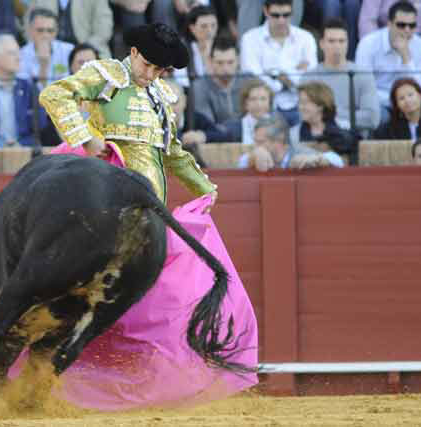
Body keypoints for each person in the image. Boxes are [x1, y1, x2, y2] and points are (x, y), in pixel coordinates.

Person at [39, 22, 257, 408]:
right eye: (151, 66)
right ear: (135, 53)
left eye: (162, 71)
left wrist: (204, 187)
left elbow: (172, 153)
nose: (155, 75)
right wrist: (85, 137)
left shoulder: (159, 97)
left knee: (177, 284)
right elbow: (54, 95)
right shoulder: (105, 76)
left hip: (149, 211)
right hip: (105, 199)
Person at [240, 0, 318, 126]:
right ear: (265, 11)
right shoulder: (250, 39)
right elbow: (253, 76)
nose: (281, 20)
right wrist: (292, 74)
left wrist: (273, 74)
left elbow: (311, 76)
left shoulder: (306, 38)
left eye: (286, 15)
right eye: (275, 15)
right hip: (266, 107)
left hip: (301, 105)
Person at [302, 18, 380, 132]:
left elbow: (372, 118)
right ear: (322, 44)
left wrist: (329, 114)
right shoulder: (309, 78)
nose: (337, 46)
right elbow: (304, 116)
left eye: (341, 41)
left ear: (348, 43)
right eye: (331, 41)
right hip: (318, 141)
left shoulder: (363, 75)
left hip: (353, 140)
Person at [355, 1, 421, 117]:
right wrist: (396, 101)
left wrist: (406, 58)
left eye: (412, 25)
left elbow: (420, 89)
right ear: (389, 24)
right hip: (379, 103)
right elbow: (364, 89)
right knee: (380, 115)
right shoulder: (368, 44)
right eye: (401, 25)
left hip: (410, 104)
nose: (407, 30)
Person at [239, 113, 345, 170]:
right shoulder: (255, 155)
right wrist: (253, 157)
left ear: (279, 141)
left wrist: (317, 159)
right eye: (256, 141)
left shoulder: (299, 152)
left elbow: (338, 161)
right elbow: (241, 163)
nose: (256, 146)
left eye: (260, 142)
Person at [189, 37, 252, 125]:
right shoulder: (200, 86)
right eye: (220, 63)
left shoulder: (249, 81)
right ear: (210, 61)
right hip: (214, 138)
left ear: (238, 60)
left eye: (230, 62)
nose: (225, 68)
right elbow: (207, 124)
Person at [290, 81, 359, 160]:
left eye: (305, 102)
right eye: (299, 102)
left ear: (321, 105)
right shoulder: (294, 133)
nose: (300, 107)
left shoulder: (343, 127)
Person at [25, 0, 113, 58]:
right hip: (49, 52)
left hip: (87, 49)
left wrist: (84, 51)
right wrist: (37, 46)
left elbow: (104, 29)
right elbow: (28, 24)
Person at [18, 8, 75, 87]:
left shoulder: (69, 50)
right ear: (30, 30)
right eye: (40, 30)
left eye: (50, 31)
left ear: (56, 32)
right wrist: (43, 66)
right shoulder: (21, 55)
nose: (45, 35)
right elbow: (29, 92)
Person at [217, 78, 274, 144]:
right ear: (245, 103)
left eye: (263, 99)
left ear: (269, 102)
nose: (259, 104)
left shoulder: (279, 126)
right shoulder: (232, 128)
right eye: (253, 99)